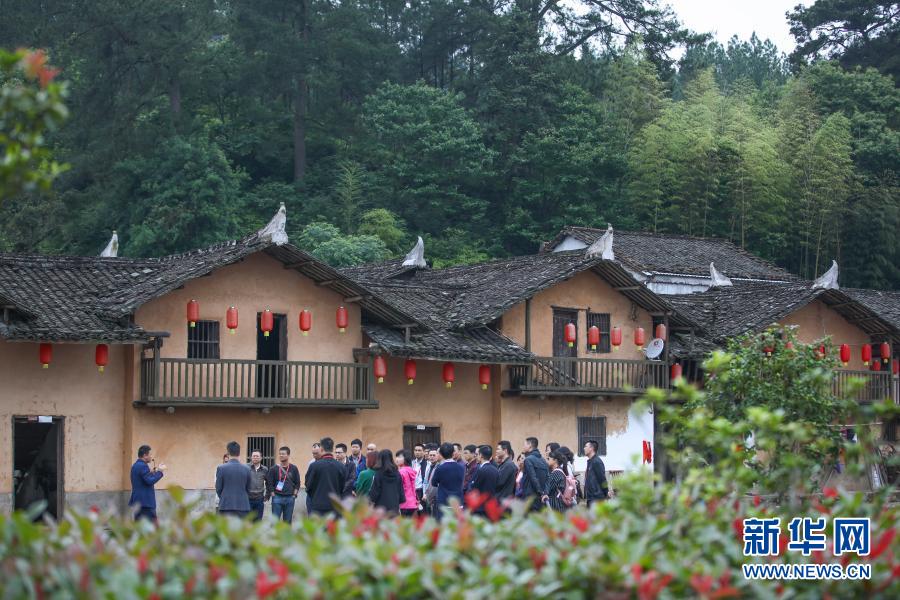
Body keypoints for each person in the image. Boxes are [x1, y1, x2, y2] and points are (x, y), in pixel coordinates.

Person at [305, 437, 346, 517]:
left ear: (321, 449)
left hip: (318, 506)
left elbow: (308, 485)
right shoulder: (341, 466)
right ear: (332, 449)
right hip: (334, 507)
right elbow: (342, 487)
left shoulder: (314, 466)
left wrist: (315, 496)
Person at [216, 441, 252, 518]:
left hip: (226, 505)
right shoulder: (247, 469)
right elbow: (249, 488)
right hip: (243, 506)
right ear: (239, 453)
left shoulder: (221, 468)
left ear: (228, 452)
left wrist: (224, 497)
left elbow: (218, 488)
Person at [129, 445, 165, 522]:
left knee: (139, 526)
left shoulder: (135, 465)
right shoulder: (143, 466)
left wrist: (151, 472)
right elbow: (149, 481)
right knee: (150, 527)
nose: (151, 456)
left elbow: (142, 479)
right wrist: (160, 472)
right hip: (145, 504)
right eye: (150, 454)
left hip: (138, 502)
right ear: (145, 455)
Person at [430, 442, 465, 521]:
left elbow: (433, 483)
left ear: (441, 454)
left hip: (444, 502)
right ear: (453, 453)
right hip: (458, 501)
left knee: (444, 525)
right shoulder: (461, 467)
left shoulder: (440, 468)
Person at [267, 446, 301, 524]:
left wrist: (294, 495)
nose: (281, 455)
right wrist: (273, 494)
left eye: (283, 454)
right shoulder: (274, 468)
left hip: (290, 498)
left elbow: (297, 483)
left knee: (288, 522)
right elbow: (269, 483)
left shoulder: (294, 468)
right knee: (274, 522)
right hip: (277, 498)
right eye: (280, 454)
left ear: (288, 455)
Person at [369, 449, 406, 515]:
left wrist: (370, 501)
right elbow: (401, 492)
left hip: (380, 509)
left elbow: (374, 492)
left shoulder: (378, 474)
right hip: (394, 507)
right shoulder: (397, 474)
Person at [470, 445, 499, 516]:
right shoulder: (495, 470)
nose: (476, 456)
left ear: (481, 455)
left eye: (477, 454)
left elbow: (475, 487)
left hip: (480, 507)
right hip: (491, 505)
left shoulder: (481, 470)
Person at [521, 437, 548, 510]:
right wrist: (544, 493)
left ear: (530, 445)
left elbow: (533, 478)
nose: (523, 447)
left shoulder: (528, 460)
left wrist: (541, 492)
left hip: (530, 498)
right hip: (541, 499)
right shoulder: (543, 460)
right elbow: (547, 478)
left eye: (524, 444)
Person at [583, 440, 609, 506]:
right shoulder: (590, 461)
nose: (584, 448)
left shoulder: (597, 462)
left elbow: (602, 479)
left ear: (591, 448)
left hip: (597, 498)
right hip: (591, 497)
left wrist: (606, 492)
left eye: (585, 446)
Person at [395, 449, 420, 516]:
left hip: (403, 504)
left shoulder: (401, 472)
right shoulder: (410, 470)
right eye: (396, 457)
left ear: (406, 459)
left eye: (399, 457)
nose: (397, 459)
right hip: (412, 503)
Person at [248, 450, 269, 521]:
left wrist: (267, 495)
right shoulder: (246, 468)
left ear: (261, 458)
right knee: (248, 521)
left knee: (258, 521)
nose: (255, 458)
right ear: (251, 457)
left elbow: (268, 483)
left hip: (259, 499)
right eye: (254, 456)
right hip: (248, 499)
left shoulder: (265, 469)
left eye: (257, 456)